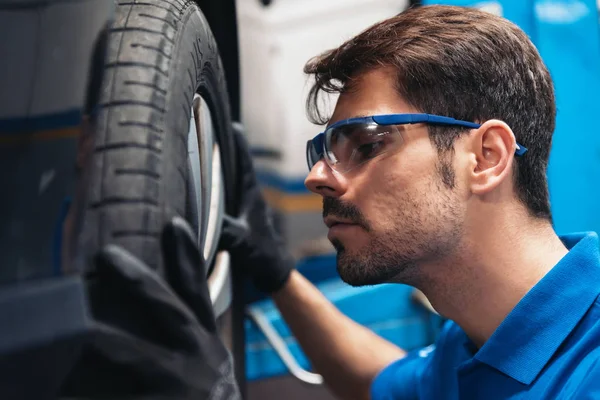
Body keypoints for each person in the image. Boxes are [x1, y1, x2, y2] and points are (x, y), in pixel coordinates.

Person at [65, 4, 600, 400]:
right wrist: (278, 275)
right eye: (323, 151)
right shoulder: (471, 348)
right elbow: (377, 382)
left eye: (365, 145)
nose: (317, 177)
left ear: (485, 157)